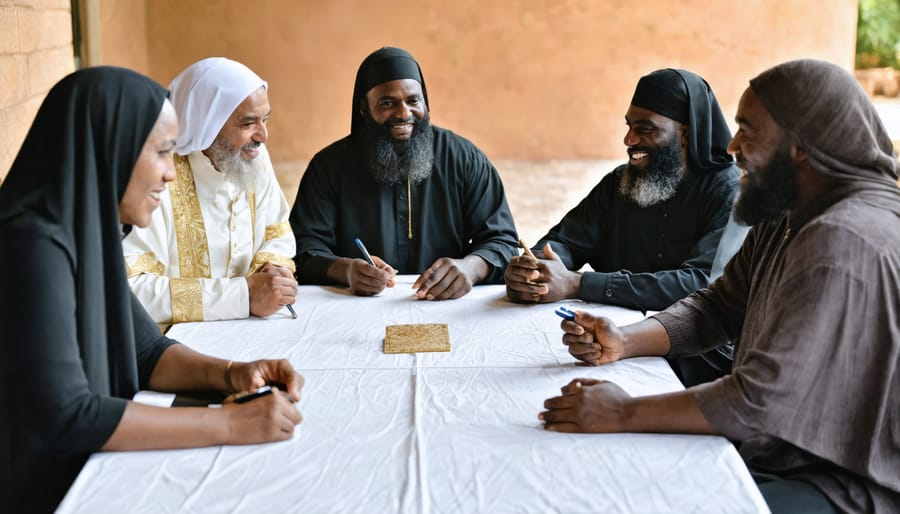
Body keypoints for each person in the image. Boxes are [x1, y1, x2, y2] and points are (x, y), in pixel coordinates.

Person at [540, 60, 900, 513]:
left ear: (802, 147)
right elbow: (720, 306)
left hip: (842, 482)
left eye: (747, 132)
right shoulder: (789, 213)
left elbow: (758, 402)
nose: (731, 147)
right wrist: (623, 341)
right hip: (776, 451)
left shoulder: (843, 240)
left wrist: (624, 411)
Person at [0, 67, 304, 512]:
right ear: (112, 150)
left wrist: (234, 373)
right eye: (163, 153)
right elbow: (67, 416)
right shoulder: (30, 245)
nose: (171, 175)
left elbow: (145, 351)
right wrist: (228, 424)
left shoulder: (89, 229)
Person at [507, 68, 741, 385]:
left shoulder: (729, 192)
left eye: (645, 129)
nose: (629, 140)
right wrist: (537, 269)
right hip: (604, 343)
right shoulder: (619, 182)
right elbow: (566, 241)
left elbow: (700, 284)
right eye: (630, 126)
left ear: (685, 133)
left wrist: (578, 284)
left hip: (696, 362)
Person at [291, 47, 519, 301]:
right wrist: (346, 271)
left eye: (413, 101)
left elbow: (503, 241)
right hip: (355, 306)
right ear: (364, 109)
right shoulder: (329, 166)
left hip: (447, 305)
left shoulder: (464, 158)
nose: (403, 113)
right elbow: (303, 248)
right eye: (387, 103)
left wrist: (471, 268)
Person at [122, 57, 297, 324]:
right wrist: (242, 296)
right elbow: (133, 289)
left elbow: (278, 231)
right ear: (207, 123)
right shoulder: (160, 177)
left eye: (265, 120)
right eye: (248, 123)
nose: (263, 135)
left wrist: (271, 269)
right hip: (175, 349)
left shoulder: (253, 158)